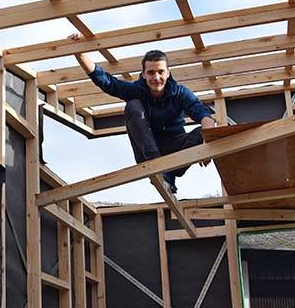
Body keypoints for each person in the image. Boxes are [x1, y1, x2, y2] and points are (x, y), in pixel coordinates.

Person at [70, 34, 218, 193]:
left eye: (161, 72)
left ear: (168, 73)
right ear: (143, 74)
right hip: (148, 153)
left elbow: (202, 113)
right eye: (151, 73)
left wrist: (206, 142)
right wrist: (80, 53)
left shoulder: (180, 92)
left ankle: (168, 173)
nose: (156, 77)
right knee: (133, 105)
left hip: (177, 152)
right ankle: (158, 166)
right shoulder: (136, 90)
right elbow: (107, 83)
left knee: (207, 130)